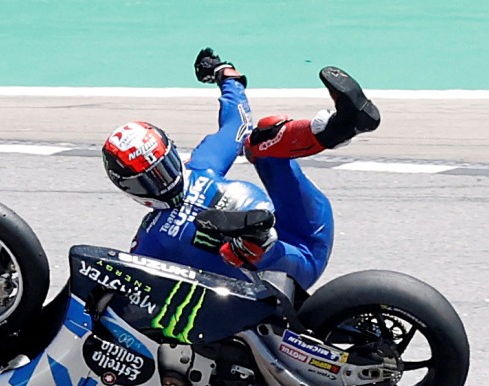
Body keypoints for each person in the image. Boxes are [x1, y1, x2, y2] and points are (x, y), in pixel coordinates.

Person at [102, 48, 381, 294]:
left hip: (305, 229)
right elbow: (134, 294)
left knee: (260, 140)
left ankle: (337, 128)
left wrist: (225, 75)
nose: (162, 183)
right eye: (147, 181)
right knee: (224, 253)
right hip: (270, 282)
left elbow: (237, 120)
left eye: (163, 168)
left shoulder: (202, 164)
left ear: (171, 151)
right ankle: (254, 242)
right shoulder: (151, 238)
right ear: (127, 187)